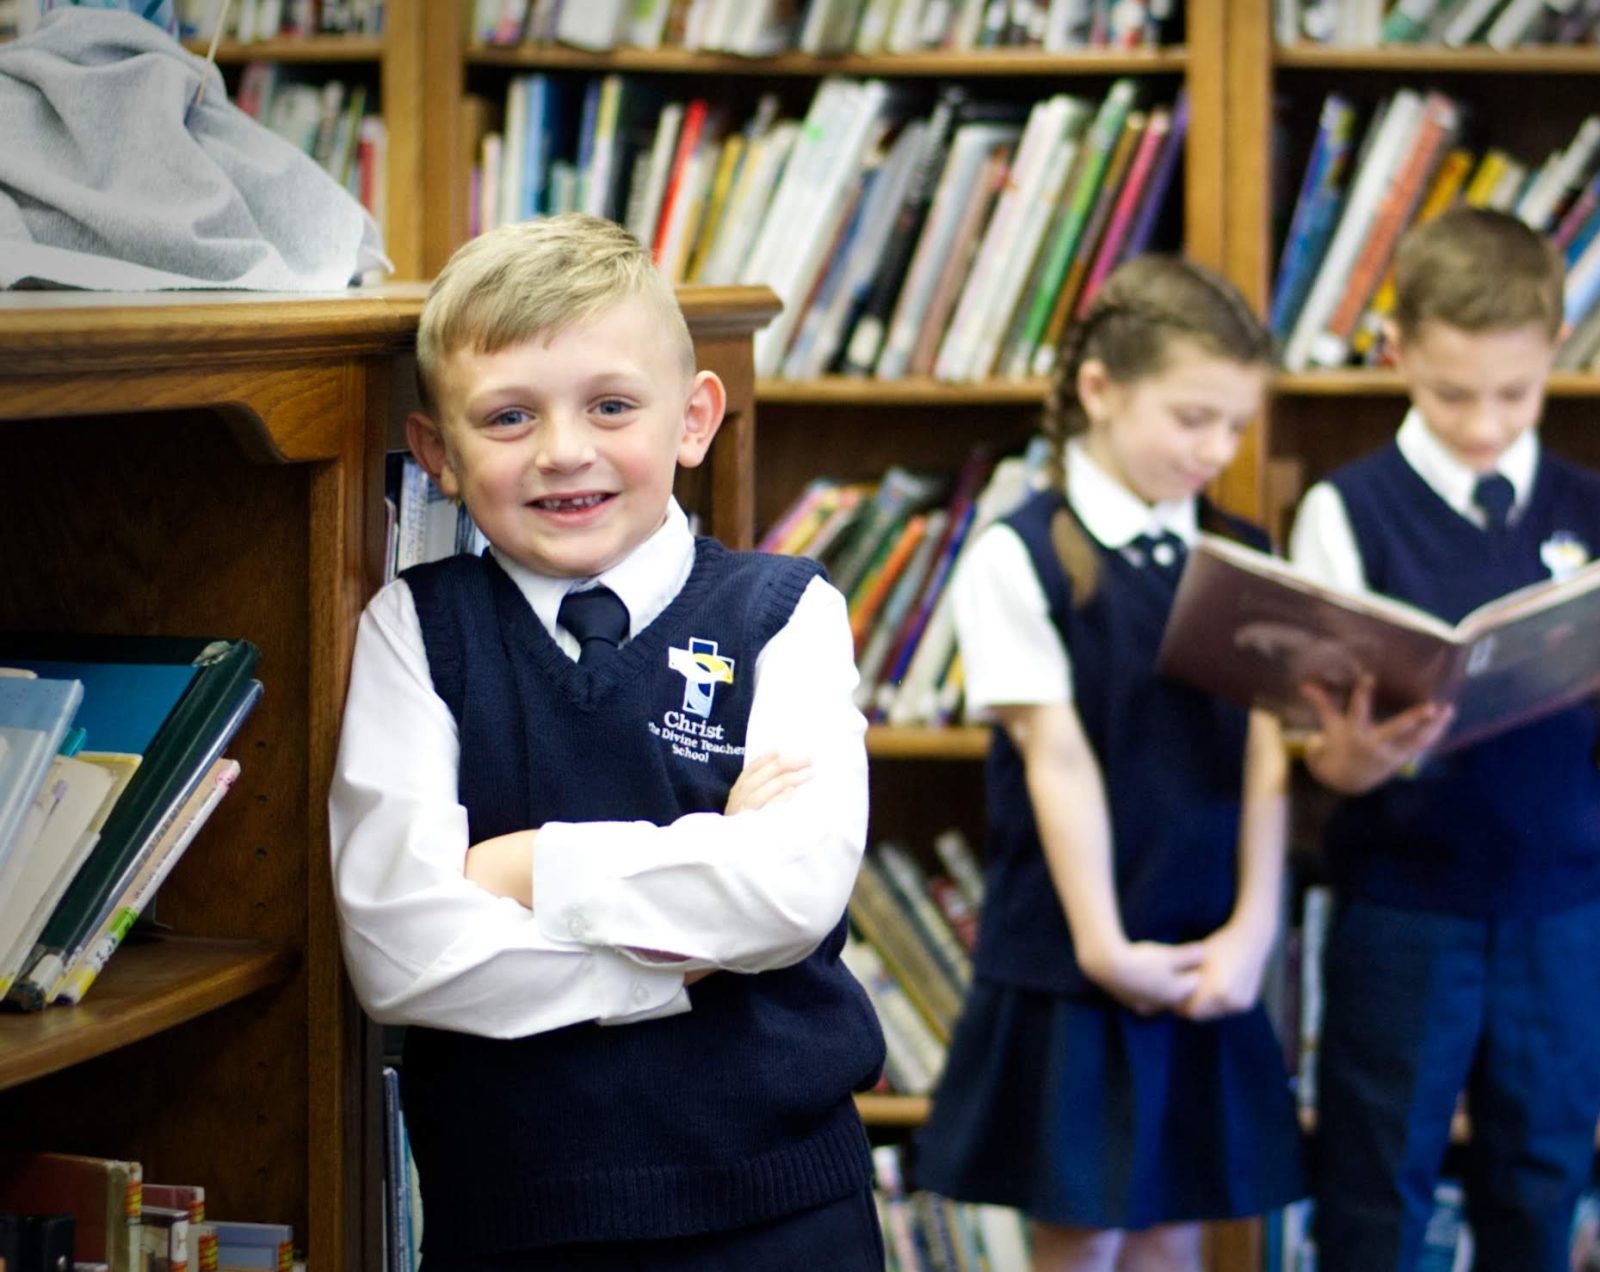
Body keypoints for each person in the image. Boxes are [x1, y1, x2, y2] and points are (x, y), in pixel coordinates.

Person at [328, 213, 886, 1271]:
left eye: (612, 406)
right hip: (516, 1217)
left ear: (694, 418)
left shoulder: (787, 611)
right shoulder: (415, 629)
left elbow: (789, 897)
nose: (564, 451)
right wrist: (684, 956)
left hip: (784, 1211)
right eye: (507, 418)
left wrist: (524, 867)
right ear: (437, 455)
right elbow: (401, 956)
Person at [1287, 207, 1600, 1271]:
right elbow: (1322, 756)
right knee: (1373, 1191)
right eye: (1449, 393)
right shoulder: (1346, 511)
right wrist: (1354, 760)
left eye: (1513, 395)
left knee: (1540, 1186)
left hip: (1559, 909)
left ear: (1554, 352)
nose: (1481, 423)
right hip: (1401, 909)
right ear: (1399, 353)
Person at [915, 255, 1306, 1272]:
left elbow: (1266, 752)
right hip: (1076, 952)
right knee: (1081, 1230)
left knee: (1176, 1220)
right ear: (1100, 391)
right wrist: (1104, 947)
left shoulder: (1241, 552)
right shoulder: (1022, 554)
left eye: (1234, 424)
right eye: (1191, 418)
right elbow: (1056, 757)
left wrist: (1253, 931)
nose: (1216, 449)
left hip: (1203, 946)